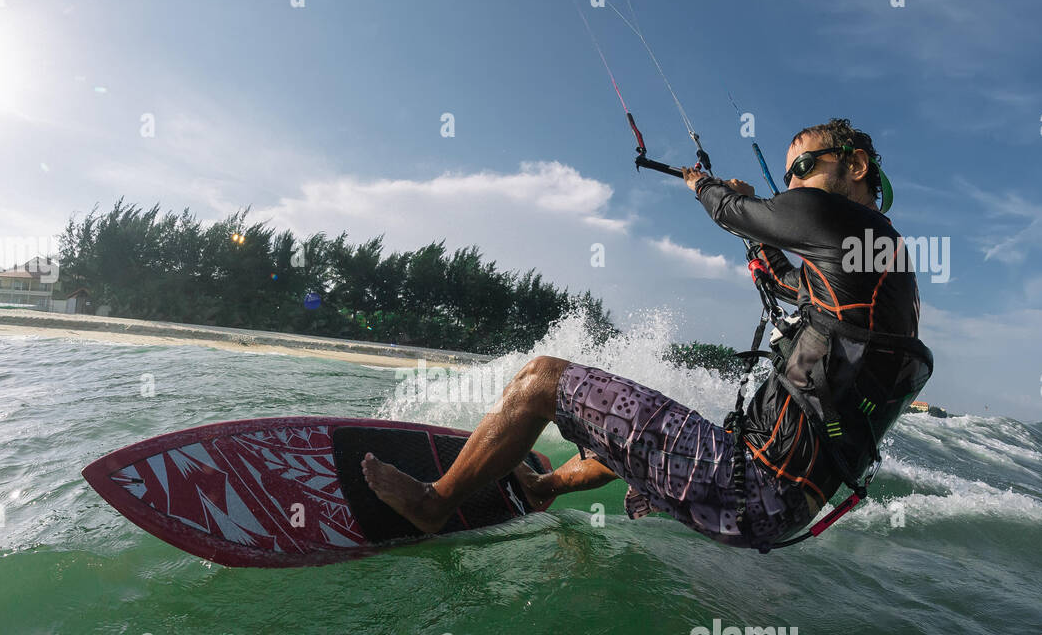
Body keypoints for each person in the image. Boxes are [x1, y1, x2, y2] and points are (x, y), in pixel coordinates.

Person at [361, 118, 933, 550]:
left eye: (804, 167)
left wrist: (706, 187)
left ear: (855, 165)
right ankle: (545, 489)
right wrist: (760, 240)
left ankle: (433, 503)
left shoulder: (845, 219)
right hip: (787, 503)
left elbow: (737, 213)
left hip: (748, 483)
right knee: (638, 433)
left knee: (540, 379)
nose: (794, 184)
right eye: (789, 176)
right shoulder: (886, 272)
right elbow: (793, 285)